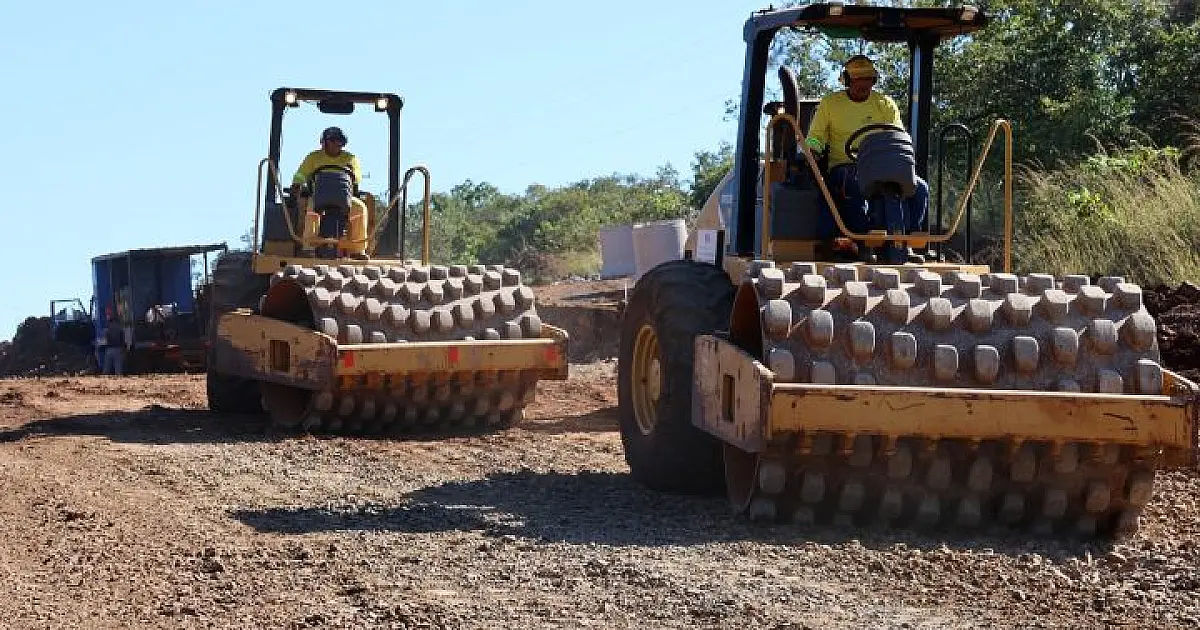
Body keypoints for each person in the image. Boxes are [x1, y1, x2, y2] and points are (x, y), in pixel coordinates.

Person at [804, 55, 930, 263]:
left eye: (868, 79)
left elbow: (897, 135)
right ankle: (864, 243)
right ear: (846, 80)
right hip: (846, 165)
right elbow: (816, 139)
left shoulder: (885, 104)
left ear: (874, 80)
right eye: (857, 79)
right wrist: (812, 151)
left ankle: (904, 242)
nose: (863, 84)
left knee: (920, 188)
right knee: (854, 184)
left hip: (884, 165)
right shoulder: (831, 104)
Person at [290, 127, 369, 259]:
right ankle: (309, 247)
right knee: (311, 208)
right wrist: (297, 184)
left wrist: (352, 173)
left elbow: (357, 176)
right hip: (318, 197)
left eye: (338, 141)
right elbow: (300, 174)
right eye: (331, 141)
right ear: (324, 142)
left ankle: (357, 250)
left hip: (345, 198)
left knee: (360, 208)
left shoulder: (350, 158)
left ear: (343, 143)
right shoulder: (313, 157)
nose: (335, 144)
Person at [102, 309, 125, 376]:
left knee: (106, 370)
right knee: (118, 370)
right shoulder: (119, 326)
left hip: (110, 350)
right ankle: (119, 383)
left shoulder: (108, 327)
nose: (107, 317)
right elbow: (122, 339)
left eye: (108, 315)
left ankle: (104, 384)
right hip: (118, 349)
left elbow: (106, 338)